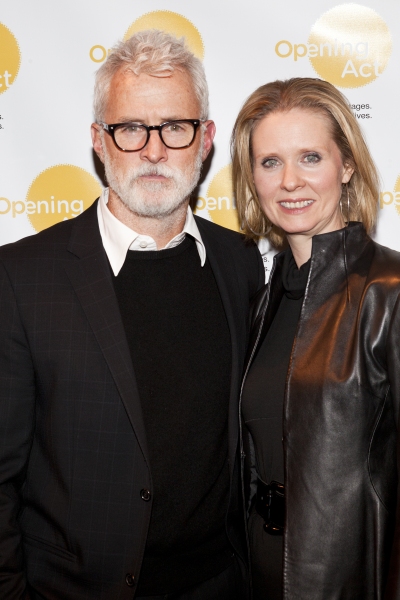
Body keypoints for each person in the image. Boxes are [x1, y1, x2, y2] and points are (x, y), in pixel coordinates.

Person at [0, 30, 264, 599]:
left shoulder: (242, 263)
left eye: (175, 127)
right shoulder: (21, 279)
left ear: (206, 139)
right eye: (129, 129)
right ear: (99, 140)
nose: (153, 150)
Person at [231, 77, 400, 599]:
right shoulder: (265, 300)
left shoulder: (387, 293)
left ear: (346, 165)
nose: (289, 182)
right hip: (256, 577)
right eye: (270, 162)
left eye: (309, 157)